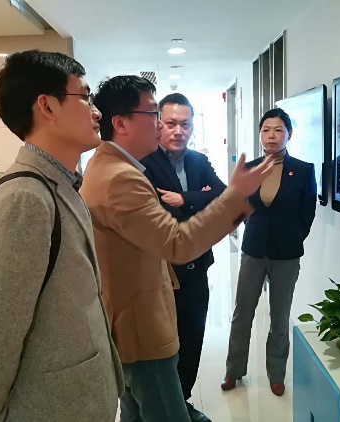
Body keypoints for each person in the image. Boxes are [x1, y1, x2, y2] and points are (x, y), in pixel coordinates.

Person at [80, 75, 274, 422]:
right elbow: (177, 243)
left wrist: (199, 198)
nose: (160, 125)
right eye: (154, 114)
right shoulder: (120, 177)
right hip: (141, 325)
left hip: (134, 316)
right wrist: (235, 197)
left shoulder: (110, 165)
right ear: (120, 123)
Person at [0, 50, 123, 422]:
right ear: (47, 106)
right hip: (47, 408)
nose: (97, 112)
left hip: (76, 399)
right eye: (85, 98)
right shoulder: (25, 198)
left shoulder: (58, 185)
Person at [140, 93, 225, 422]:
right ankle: (168, 407)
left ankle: (183, 400)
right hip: (163, 272)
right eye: (171, 123)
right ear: (158, 124)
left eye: (185, 124)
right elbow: (155, 212)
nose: (178, 131)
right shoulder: (145, 162)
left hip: (198, 267)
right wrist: (201, 201)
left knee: (193, 339)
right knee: (166, 344)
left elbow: (223, 195)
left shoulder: (198, 161)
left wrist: (185, 199)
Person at [221, 108, 317, 397]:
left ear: (289, 134)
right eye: (266, 130)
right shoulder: (249, 168)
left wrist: (292, 238)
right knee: (242, 314)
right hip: (253, 250)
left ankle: (276, 374)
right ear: (260, 134)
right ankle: (233, 370)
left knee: (279, 316)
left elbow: (307, 213)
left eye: (278, 130)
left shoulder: (303, 170)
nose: (271, 136)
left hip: (286, 254)